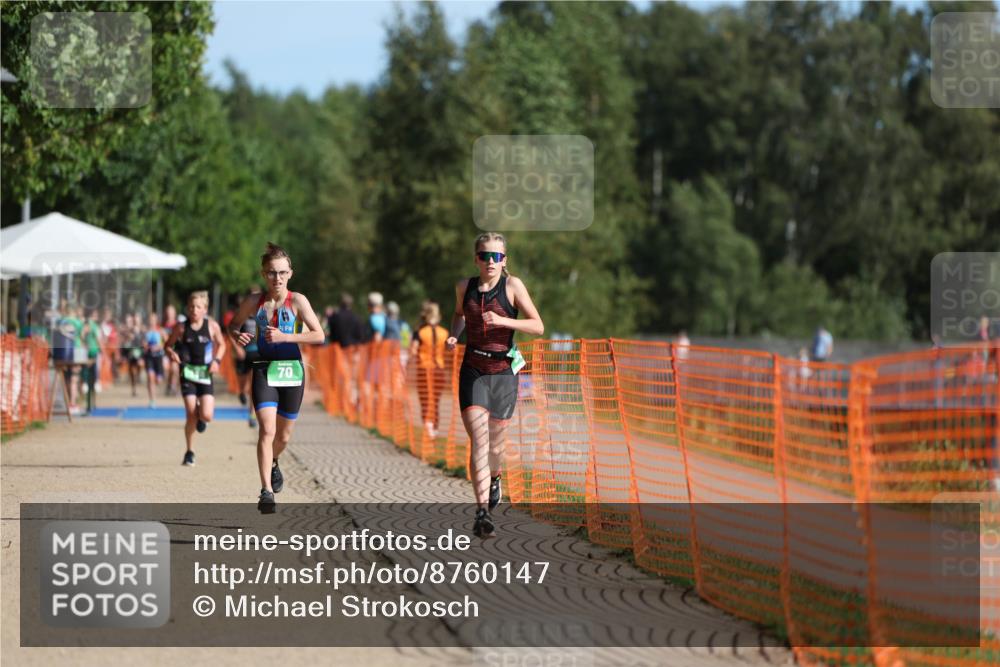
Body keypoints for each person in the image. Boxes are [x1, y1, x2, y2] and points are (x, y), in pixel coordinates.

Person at [446, 232, 544, 537]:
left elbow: (538, 326)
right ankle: (481, 512)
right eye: (486, 256)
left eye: (497, 257)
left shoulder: (513, 287)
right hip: (473, 368)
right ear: (476, 258)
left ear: (505, 261)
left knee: (496, 445)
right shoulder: (465, 287)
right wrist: (454, 334)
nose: (491, 261)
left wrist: (505, 322)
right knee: (479, 440)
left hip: (503, 371)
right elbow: (459, 314)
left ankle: (495, 476)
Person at [229, 242, 324, 512]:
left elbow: (319, 335)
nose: (277, 278)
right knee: (267, 431)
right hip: (263, 368)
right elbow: (233, 325)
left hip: (292, 370)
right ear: (263, 274)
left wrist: (287, 337)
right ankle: (266, 492)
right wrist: (238, 336)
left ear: (290, 273)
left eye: (282, 272)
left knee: (283, 437)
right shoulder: (254, 302)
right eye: (272, 272)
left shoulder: (298, 301)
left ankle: (273, 462)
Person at [165, 291, 227, 466]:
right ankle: (189, 451)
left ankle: (202, 418)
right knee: (191, 414)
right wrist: (171, 353)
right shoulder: (181, 327)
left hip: (206, 374)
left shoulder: (212, 326)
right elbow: (168, 345)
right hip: (188, 374)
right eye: (191, 306)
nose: (194, 310)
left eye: (198, 307)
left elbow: (222, 344)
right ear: (187, 307)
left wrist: (217, 360)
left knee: (207, 415)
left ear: (205, 309)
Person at [410, 301, 449, 442]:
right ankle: (435, 428)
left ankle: (428, 425)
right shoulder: (444, 332)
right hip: (439, 369)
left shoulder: (419, 332)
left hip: (424, 370)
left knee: (425, 400)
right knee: (435, 401)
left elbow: (413, 350)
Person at [232, 285, 263, 427]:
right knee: (243, 383)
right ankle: (241, 393)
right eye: (252, 296)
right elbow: (231, 333)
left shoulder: (264, 313)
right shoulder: (241, 314)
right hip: (243, 354)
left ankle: (252, 415)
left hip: (258, 353)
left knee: (254, 385)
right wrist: (237, 348)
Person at [143, 312, 166, 408]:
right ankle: (152, 400)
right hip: (149, 358)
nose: (152, 322)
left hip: (159, 357)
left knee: (158, 380)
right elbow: (143, 344)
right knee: (150, 377)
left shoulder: (160, 331)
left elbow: (166, 342)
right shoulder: (146, 331)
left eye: (154, 320)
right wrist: (146, 346)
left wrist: (158, 347)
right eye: (150, 320)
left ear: (156, 321)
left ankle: (157, 383)